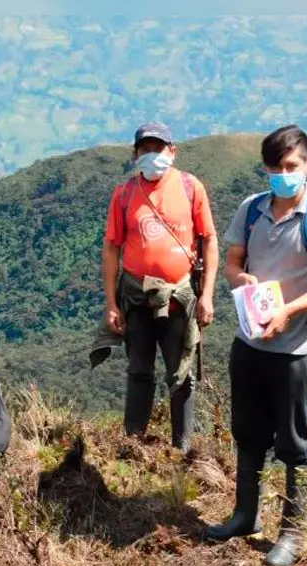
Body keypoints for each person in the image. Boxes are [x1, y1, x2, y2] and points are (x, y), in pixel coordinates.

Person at [205, 125, 307, 566]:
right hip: (249, 343)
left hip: (297, 350)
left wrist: (289, 310)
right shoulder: (252, 209)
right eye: (275, 167)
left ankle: (291, 534)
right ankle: (245, 516)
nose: (283, 174)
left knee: (295, 443)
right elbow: (232, 259)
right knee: (248, 433)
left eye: (291, 166)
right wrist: (240, 279)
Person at [99, 121, 218, 452]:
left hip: (179, 298)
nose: (152, 155)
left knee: (181, 375)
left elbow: (209, 241)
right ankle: (132, 445)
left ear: (173, 151)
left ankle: (183, 449)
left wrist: (206, 296)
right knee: (138, 370)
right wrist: (111, 303)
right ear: (136, 154)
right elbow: (112, 249)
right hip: (136, 298)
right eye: (145, 149)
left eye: (159, 148)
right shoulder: (124, 194)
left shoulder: (191, 188)